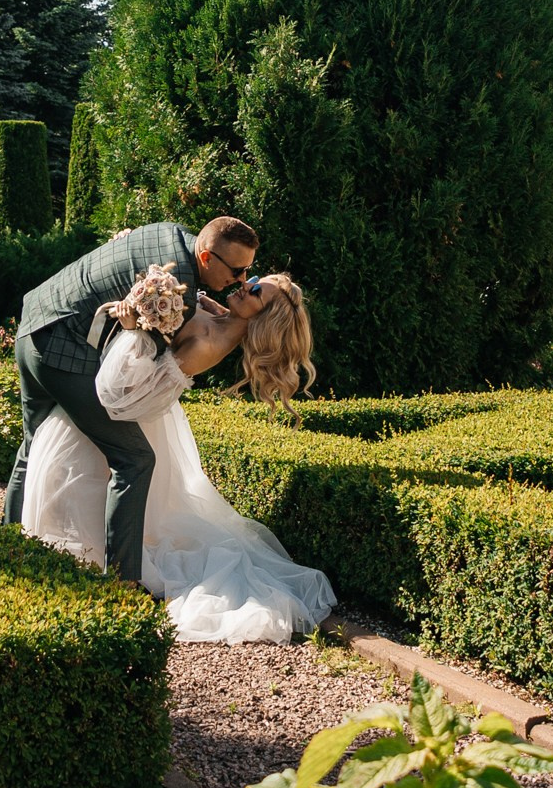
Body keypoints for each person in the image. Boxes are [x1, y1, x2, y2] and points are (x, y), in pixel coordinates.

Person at [17, 270, 335, 644]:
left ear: (262, 317)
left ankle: (109, 569)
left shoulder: (209, 344)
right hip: (141, 415)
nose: (242, 286)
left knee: (78, 478)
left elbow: (138, 393)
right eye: (250, 281)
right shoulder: (223, 316)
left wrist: (133, 328)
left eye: (253, 292)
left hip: (135, 415)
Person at [8, 216, 259, 583]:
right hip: (61, 354)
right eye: (237, 271)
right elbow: (134, 369)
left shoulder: (169, 231)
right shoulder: (176, 293)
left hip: (33, 322)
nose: (239, 280)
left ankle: (6, 544)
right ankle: (123, 579)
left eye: (248, 273)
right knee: (136, 460)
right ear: (206, 258)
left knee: (32, 449)